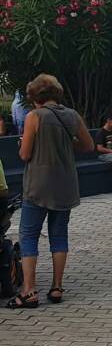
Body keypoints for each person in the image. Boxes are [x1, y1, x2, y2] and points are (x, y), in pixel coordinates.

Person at [6, 74, 95, 309]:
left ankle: (29, 291)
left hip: (38, 184)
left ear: (36, 97)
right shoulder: (72, 115)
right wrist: (66, 143)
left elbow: (25, 155)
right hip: (65, 183)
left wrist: (25, 141)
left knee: (28, 236)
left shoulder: (34, 117)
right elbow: (88, 146)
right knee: (59, 235)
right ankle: (56, 287)